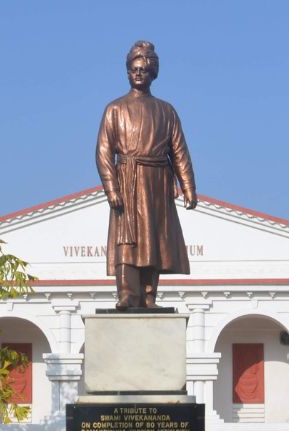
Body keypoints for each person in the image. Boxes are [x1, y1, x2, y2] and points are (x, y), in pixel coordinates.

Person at [96, 40, 198, 310]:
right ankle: (128, 294)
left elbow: (179, 151)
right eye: (133, 69)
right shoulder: (114, 109)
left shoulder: (166, 110)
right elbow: (103, 152)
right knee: (127, 240)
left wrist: (188, 187)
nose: (138, 73)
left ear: (153, 72)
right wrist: (112, 188)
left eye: (143, 69)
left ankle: (149, 296)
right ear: (128, 72)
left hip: (157, 182)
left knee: (154, 239)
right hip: (127, 178)